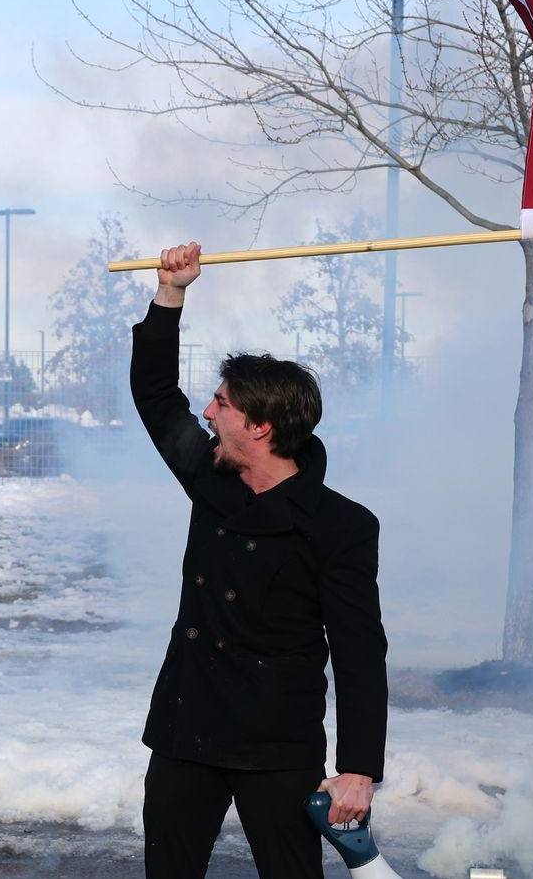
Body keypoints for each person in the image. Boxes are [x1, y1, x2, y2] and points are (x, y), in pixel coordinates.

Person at [131, 242, 387, 879]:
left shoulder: (341, 527)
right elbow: (156, 395)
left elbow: (359, 650)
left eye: (221, 404)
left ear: (262, 427)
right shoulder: (212, 477)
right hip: (186, 731)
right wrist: (171, 294)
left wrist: (358, 768)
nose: (208, 413)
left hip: (278, 745)